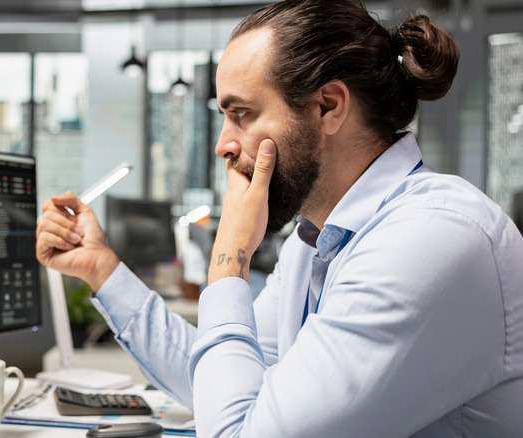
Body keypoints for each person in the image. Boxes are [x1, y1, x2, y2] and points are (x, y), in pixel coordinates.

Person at [36, 0, 523, 436]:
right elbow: (218, 379)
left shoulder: (428, 238)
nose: (224, 144)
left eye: (241, 113)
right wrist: (101, 269)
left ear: (328, 107)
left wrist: (230, 258)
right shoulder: (315, 242)